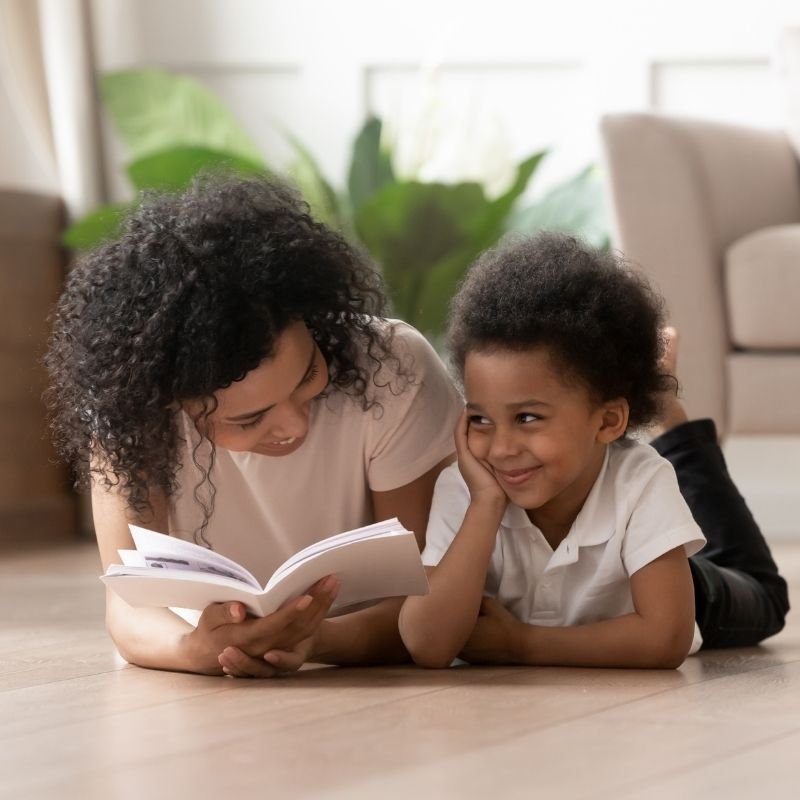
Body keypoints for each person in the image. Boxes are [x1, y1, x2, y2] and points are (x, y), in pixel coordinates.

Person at [45, 176, 462, 678]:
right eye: (248, 418)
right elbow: (130, 607)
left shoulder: (391, 368)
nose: (293, 425)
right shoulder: (133, 410)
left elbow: (423, 593)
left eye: (308, 374)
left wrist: (315, 639)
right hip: (204, 661)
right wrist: (197, 649)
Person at [399, 233, 789, 669]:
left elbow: (665, 638)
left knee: (765, 594)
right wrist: (485, 506)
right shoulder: (468, 488)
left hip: (693, 590)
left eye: (527, 417)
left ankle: (670, 419)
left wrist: (522, 645)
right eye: (480, 419)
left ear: (607, 421)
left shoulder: (641, 479)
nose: (501, 448)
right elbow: (427, 645)